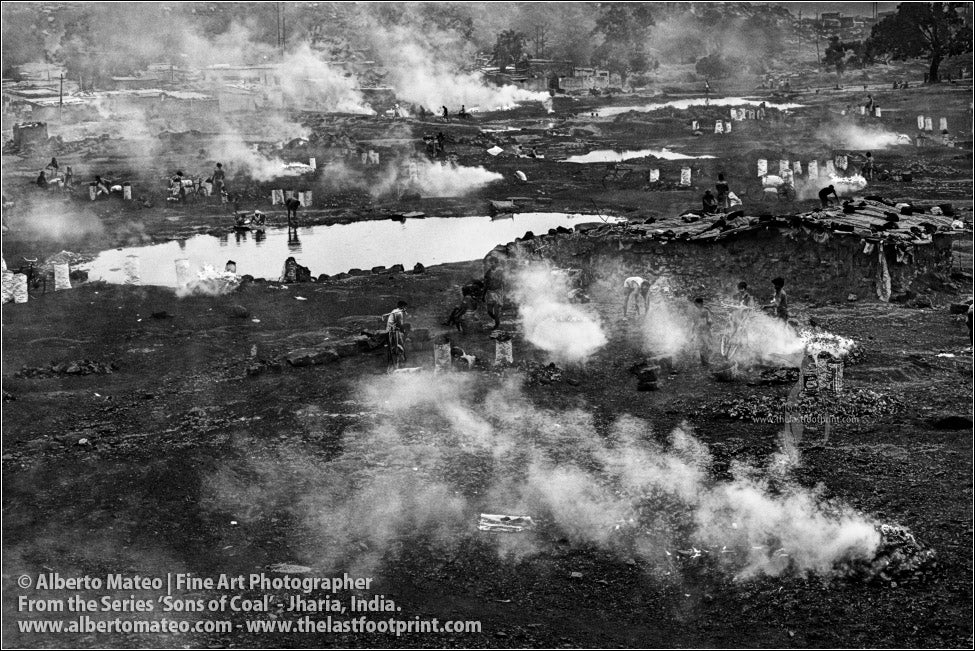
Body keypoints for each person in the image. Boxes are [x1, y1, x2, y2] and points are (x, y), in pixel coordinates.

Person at [385, 300, 409, 371]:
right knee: (400, 346)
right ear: (402, 307)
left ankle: (392, 366)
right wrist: (404, 331)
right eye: (405, 307)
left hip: (389, 331)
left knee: (393, 349)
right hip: (394, 332)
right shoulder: (399, 313)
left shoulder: (394, 311)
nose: (406, 309)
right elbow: (400, 324)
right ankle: (400, 364)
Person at [483, 257, 505, 330]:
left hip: (497, 292)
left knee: (496, 311)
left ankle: (497, 323)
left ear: (496, 263)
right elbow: (485, 284)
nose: (491, 264)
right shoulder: (488, 273)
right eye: (490, 263)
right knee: (489, 311)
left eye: (493, 263)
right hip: (490, 292)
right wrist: (483, 295)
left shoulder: (500, 272)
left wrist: (503, 293)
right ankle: (497, 319)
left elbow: (503, 283)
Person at [692, 297, 713, 366]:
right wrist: (693, 332)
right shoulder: (697, 311)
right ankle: (704, 362)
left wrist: (709, 326)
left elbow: (709, 320)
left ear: (700, 303)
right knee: (702, 346)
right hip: (700, 330)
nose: (694, 304)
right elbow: (695, 322)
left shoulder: (705, 310)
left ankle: (706, 361)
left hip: (705, 329)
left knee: (707, 346)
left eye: (696, 303)